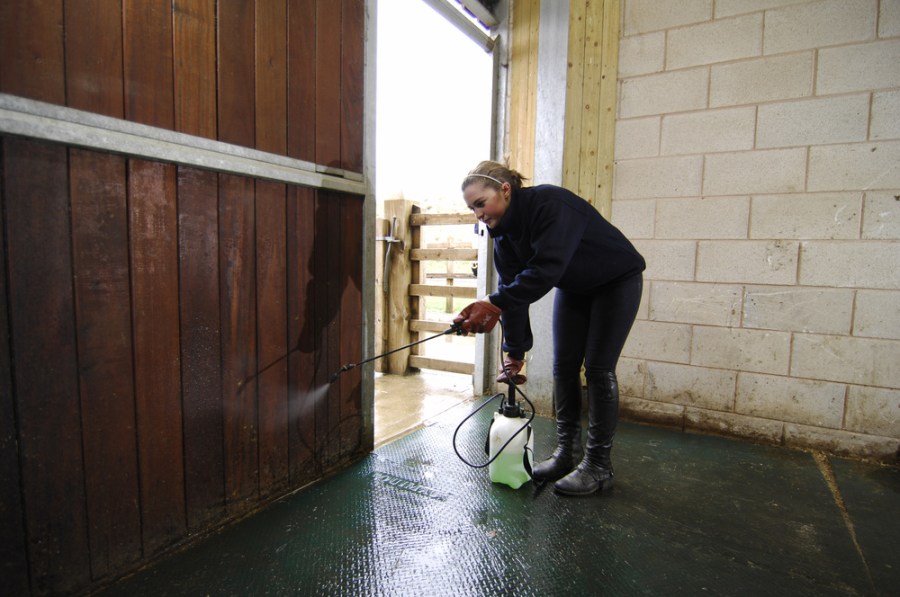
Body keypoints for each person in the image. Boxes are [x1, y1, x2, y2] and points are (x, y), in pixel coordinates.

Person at [453, 161, 645, 496]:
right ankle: (566, 454)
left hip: (616, 280)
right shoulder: (503, 237)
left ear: (505, 190)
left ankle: (598, 466)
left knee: (598, 368)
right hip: (575, 286)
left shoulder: (551, 205)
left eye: (481, 204)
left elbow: (545, 271)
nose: (478, 214)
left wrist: (494, 302)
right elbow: (513, 292)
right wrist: (515, 352)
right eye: (472, 209)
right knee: (563, 366)